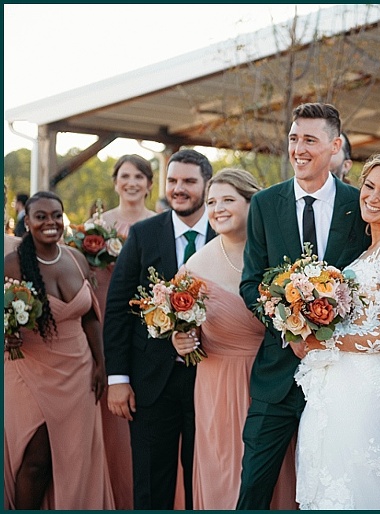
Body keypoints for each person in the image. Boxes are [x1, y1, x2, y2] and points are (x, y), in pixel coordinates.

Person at [237, 103, 369, 509]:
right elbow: (250, 284)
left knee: (331, 489)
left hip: (339, 378)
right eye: (294, 138)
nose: (299, 148)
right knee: (253, 489)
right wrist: (289, 328)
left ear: (335, 146)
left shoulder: (359, 204)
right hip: (276, 376)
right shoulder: (264, 204)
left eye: (309, 139)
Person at [294, 151, 380, 508]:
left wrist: (331, 341)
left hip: (365, 386)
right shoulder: (372, 246)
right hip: (340, 381)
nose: (372, 197)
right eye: (369, 186)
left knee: (359, 485)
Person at [170, 168, 298, 510]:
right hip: (218, 386)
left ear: (252, 202)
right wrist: (180, 343)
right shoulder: (194, 267)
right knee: (226, 474)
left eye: (228, 199)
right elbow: (184, 332)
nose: (217, 209)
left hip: (276, 382)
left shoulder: (280, 256)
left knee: (277, 476)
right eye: (211, 202)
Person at [103, 148, 216, 509]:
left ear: (207, 185)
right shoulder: (143, 234)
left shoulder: (226, 231)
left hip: (212, 378)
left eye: (188, 181)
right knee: (151, 483)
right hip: (151, 380)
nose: (178, 188)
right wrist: (118, 379)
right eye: (172, 181)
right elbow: (119, 308)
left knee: (204, 477)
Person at [4, 191, 114, 509]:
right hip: (32, 370)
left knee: (73, 455)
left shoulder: (76, 258)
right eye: (41, 216)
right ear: (28, 221)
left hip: (79, 372)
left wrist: (100, 363)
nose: (50, 222)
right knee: (37, 458)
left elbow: (91, 317)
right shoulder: (12, 264)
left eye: (56, 215)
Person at [90, 153, 156, 509]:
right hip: (103, 319)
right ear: (115, 181)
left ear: (148, 183)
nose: (131, 182)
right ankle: (109, 493)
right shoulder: (95, 228)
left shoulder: (159, 224)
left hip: (146, 323)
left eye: (139, 176)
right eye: (125, 176)